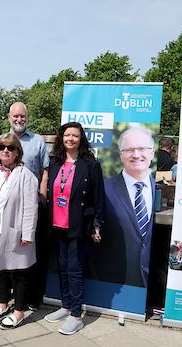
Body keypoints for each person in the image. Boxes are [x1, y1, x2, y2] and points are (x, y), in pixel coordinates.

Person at [43, 122, 104, 335]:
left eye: (75, 136)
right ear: (62, 138)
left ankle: (76, 315)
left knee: (75, 269)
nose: (70, 139)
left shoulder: (90, 165)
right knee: (62, 266)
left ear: (81, 139)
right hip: (57, 224)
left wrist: (97, 224)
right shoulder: (55, 162)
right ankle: (66, 305)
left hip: (79, 226)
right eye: (67, 135)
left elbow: (99, 198)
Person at [0, 133, 39, 329]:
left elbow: (30, 207)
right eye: (2, 147)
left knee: (19, 271)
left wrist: (27, 234)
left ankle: (18, 311)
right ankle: (2, 303)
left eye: (10, 148)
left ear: (17, 152)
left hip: (15, 231)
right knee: (0, 268)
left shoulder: (26, 176)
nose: (5, 151)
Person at [0, 102, 50, 310]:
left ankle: (31, 297)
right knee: (7, 251)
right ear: (9, 117)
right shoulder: (1, 140)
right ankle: (5, 297)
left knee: (29, 252)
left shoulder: (37, 141)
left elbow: (45, 171)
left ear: (27, 117)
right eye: (15, 116)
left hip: (31, 205)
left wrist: (42, 197)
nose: (19, 120)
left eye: (22, 116)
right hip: (7, 209)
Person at [89, 127, 156, 287]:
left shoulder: (158, 189)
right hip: (112, 281)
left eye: (142, 148)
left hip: (148, 283)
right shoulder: (104, 188)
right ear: (121, 155)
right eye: (129, 149)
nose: (136, 154)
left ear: (152, 153)